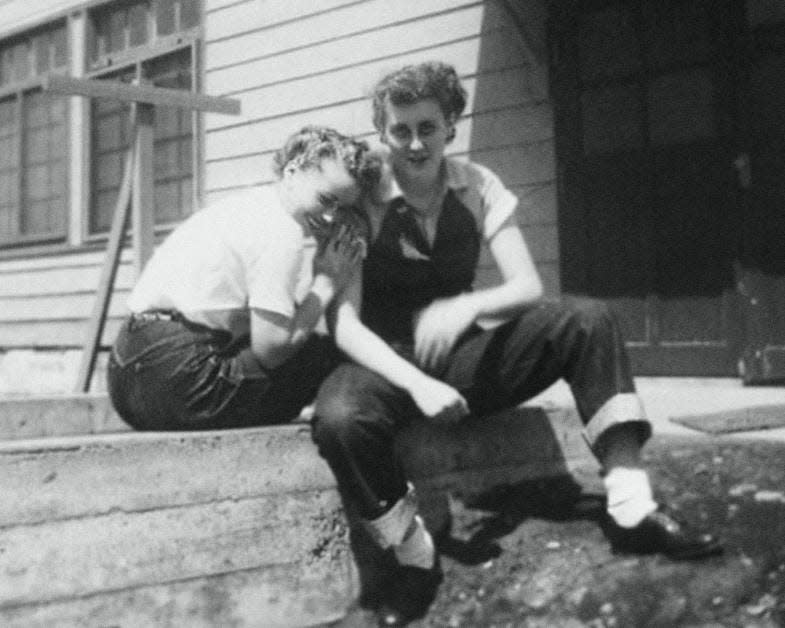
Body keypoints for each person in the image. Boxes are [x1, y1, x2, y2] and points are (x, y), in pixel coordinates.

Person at [310, 62, 723, 626]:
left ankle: (632, 506)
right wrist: (418, 384)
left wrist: (465, 307)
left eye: (427, 127)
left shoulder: (478, 186)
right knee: (337, 418)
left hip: (459, 359)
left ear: (451, 125)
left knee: (588, 318)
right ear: (381, 133)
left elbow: (528, 287)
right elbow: (347, 326)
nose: (413, 143)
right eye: (399, 130)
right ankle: (414, 557)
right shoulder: (365, 201)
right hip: (381, 363)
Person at [107, 126, 376, 430]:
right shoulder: (281, 231)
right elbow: (271, 349)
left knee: (291, 341)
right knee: (319, 355)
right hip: (177, 380)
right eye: (326, 199)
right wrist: (326, 283)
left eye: (342, 208)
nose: (330, 217)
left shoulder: (250, 205)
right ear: (293, 170)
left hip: (125, 373)